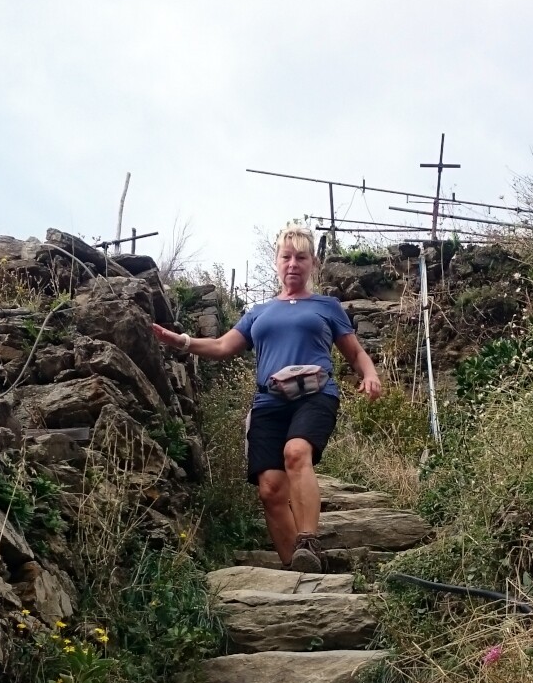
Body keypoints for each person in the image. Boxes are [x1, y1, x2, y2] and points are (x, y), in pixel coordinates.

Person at [151, 225, 382, 571]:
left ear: (312, 263)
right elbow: (222, 346)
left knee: (296, 451)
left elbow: (354, 353)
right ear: (276, 261)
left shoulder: (327, 306)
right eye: (286, 257)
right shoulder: (258, 312)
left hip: (315, 395)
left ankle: (308, 538)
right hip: (269, 403)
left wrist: (371, 374)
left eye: (301, 258)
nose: (293, 264)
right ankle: (299, 565)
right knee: (271, 489)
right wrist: (180, 341)